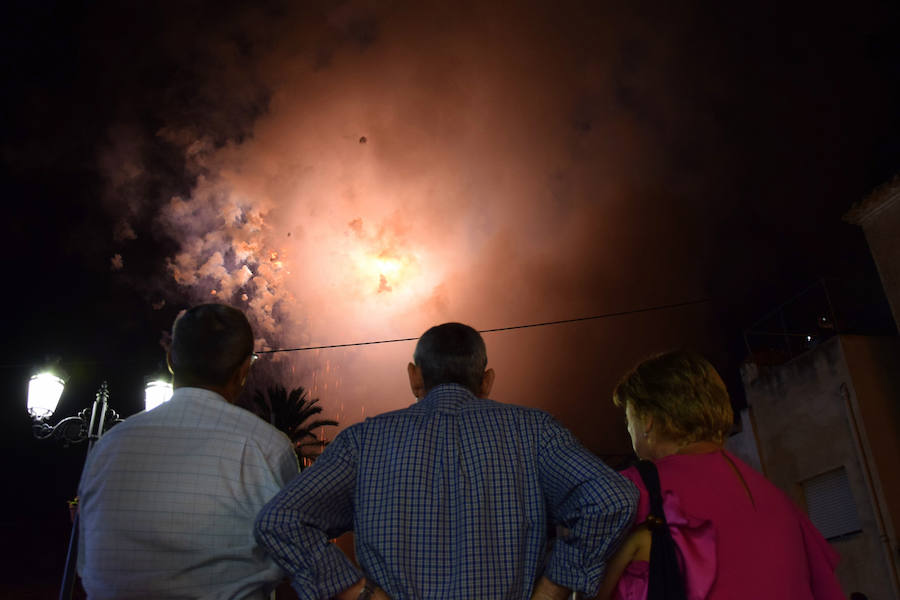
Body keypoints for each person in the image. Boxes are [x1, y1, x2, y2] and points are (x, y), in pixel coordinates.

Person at [254, 322, 638, 600]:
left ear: (414, 377)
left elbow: (281, 520)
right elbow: (612, 499)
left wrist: (358, 593)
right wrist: (555, 587)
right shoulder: (534, 431)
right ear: (486, 380)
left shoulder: (363, 441)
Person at [77, 303, 300, 599]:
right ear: (244, 370)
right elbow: (292, 555)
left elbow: (85, 561)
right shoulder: (267, 447)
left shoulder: (108, 445)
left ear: (170, 359)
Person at [598, 350, 844, 600]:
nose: (630, 432)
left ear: (648, 420)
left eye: (629, 421)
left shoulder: (632, 491)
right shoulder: (779, 500)